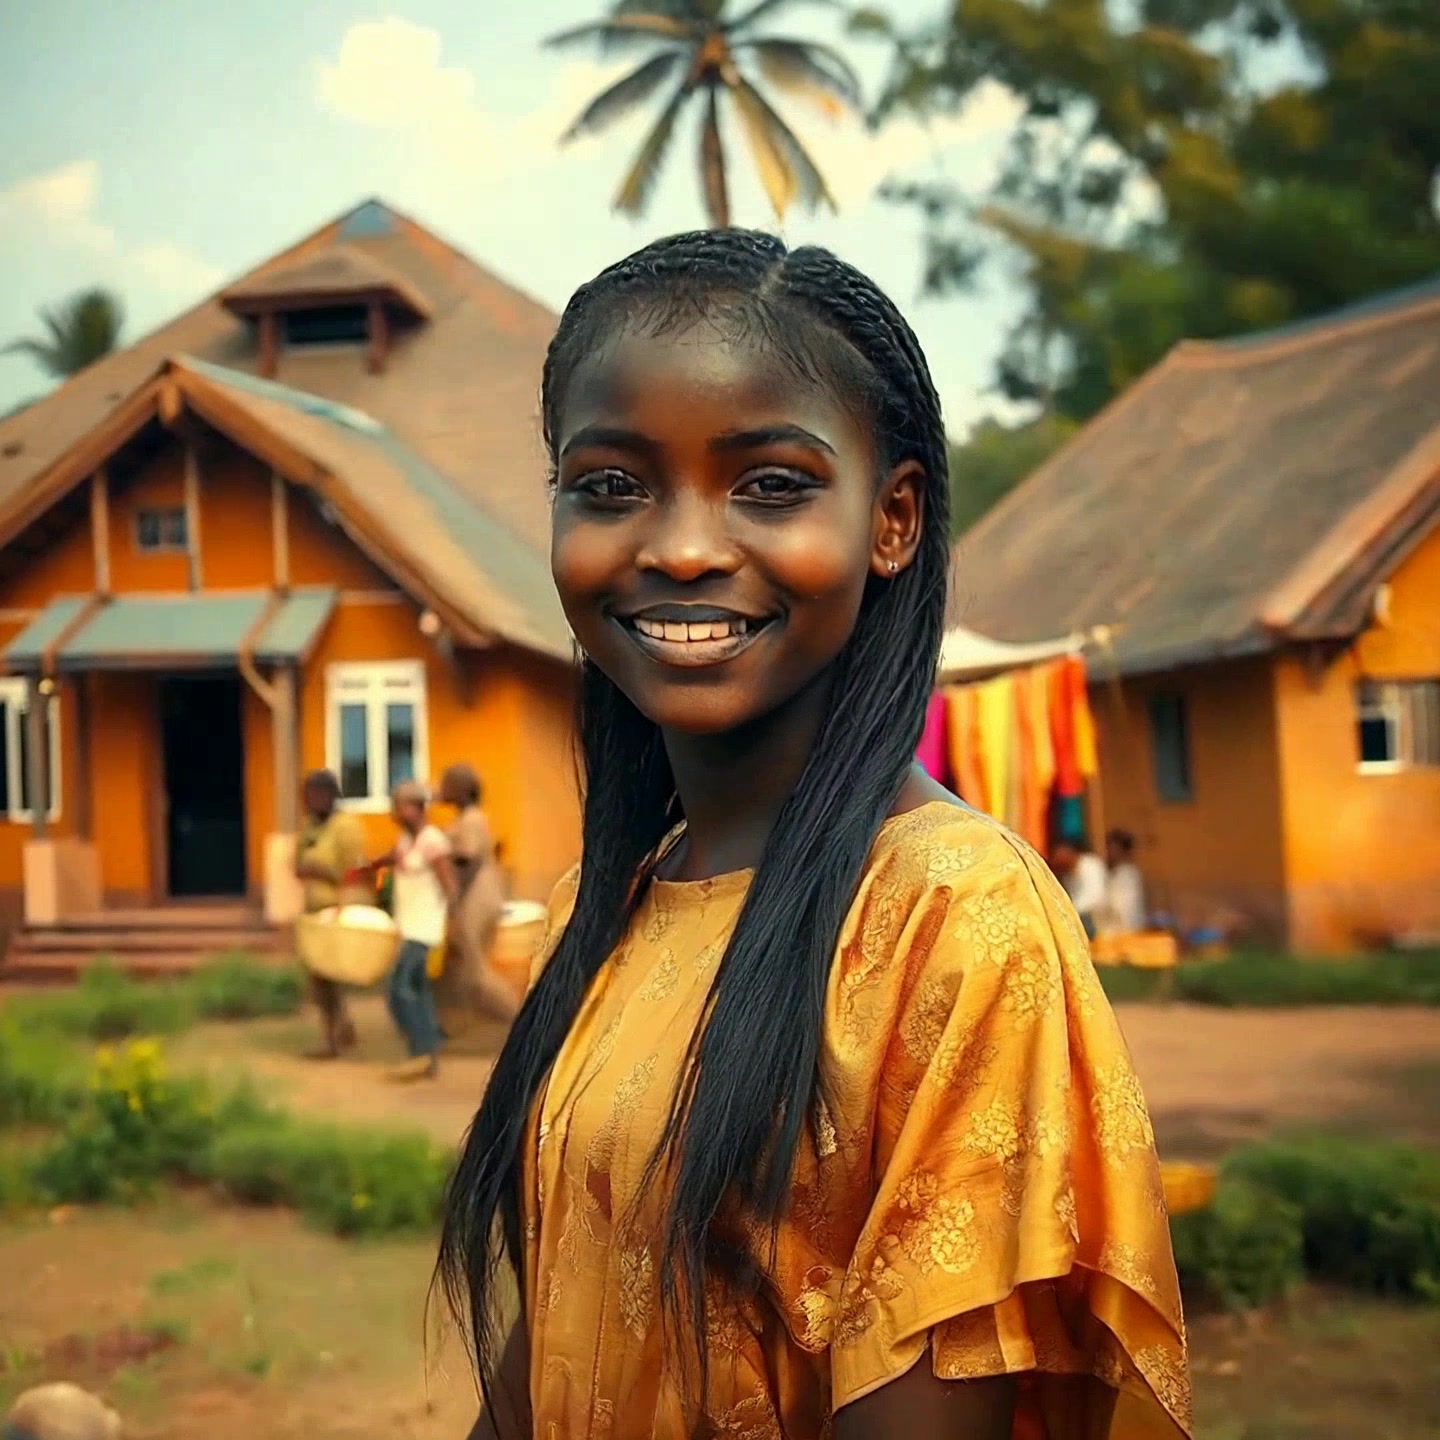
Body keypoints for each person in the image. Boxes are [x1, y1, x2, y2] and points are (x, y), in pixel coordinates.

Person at [436, 231, 1190, 1440]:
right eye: (613, 485)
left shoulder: (955, 920)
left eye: (770, 484)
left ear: (891, 522)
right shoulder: (615, 898)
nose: (679, 545)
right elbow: (558, 1338)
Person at [356, 780, 458, 1082]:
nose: (394, 813)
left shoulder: (432, 841)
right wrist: (366, 867)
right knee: (419, 991)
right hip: (409, 926)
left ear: (417, 808)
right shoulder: (405, 841)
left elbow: (449, 886)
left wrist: (450, 926)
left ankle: (421, 1052)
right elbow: (389, 859)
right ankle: (427, 1056)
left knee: (398, 990)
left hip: (424, 931)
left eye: (400, 806)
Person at [293, 769, 369, 1059]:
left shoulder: (346, 827)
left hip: (337, 909)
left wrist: (325, 873)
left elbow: (356, 872)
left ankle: (331, 1040)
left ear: (329, 795)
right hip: (314, 912)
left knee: (329, 974)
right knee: (320, 978)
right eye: (306, 797)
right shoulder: (310, 827)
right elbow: (298, 864)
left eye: (315, 795)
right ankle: (341, 1028)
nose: (309, 802)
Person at [435, 762, 518, 1025]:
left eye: (447, 783)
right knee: (462, 969)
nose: (441, 788)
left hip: (475, 899)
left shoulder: (472, 819)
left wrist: (454, 895)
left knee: (477, 971)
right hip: (478, 897)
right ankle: (464, 1027)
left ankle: (520, 1021)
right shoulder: (464, 819)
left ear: (461, 789)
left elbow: (467, 861)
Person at [1050, 834, 1109, 940]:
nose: (1056, 857)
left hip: (1099, 922)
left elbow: (1095, 898)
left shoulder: (1091, 866)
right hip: (1082, 921)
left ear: (1070, 851)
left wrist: (1066, 913)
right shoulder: (1067, 874)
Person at [1105, 828, 1148, 934]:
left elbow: (1125, 909)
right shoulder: (1114, 873)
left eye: (1111, 848)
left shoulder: (1128, 875)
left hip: (1128, 930)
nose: (1108, 852)